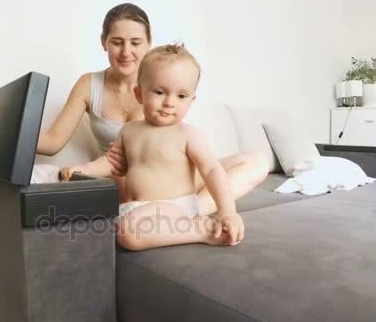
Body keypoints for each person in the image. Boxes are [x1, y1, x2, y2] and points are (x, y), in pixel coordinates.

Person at [0, 3, 269, 215]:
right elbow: (52, 142)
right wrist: (2, 119)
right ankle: (178, 209)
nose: (126, 52)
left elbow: (189, 143)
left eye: (136, 42)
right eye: (117, 42)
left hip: (174, 174)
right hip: (125, 178)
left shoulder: (164, 84)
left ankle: (195, 210)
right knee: (47, 174)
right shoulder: (89, 84)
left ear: (149, 43)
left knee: (256, 160)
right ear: (104, 43)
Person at [61, 43, 243, 251]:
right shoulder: (128, 131)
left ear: (191, 100)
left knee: (128, 234)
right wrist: (85, 169)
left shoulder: (188, 135)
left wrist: (227, 211)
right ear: (139, 94)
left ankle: (202, 230)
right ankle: (179, 229)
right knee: (99, 225)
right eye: (159, 92)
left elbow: (211, 170)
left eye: (181, 96)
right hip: (136, 209)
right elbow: (112, 164)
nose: (169, 102)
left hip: (174, 208)